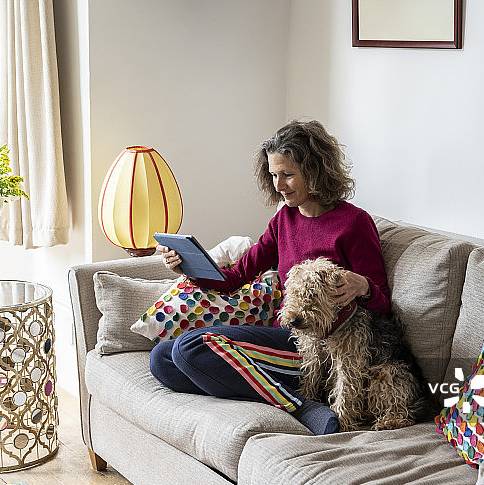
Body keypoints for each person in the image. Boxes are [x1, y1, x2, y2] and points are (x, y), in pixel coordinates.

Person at [150, 119, 390, 435]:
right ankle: (271, 392)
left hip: (318, 349)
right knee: (162, 359)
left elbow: (384, 305)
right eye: (274, 175)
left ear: (315, 171)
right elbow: (234, 278)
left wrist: (364, 286)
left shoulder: (353, 223)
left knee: (189, 348)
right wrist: (186, 266)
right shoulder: (284, 220)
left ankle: (303, 407)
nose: (278, 186)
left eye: (288, 175)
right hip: (283, 333)